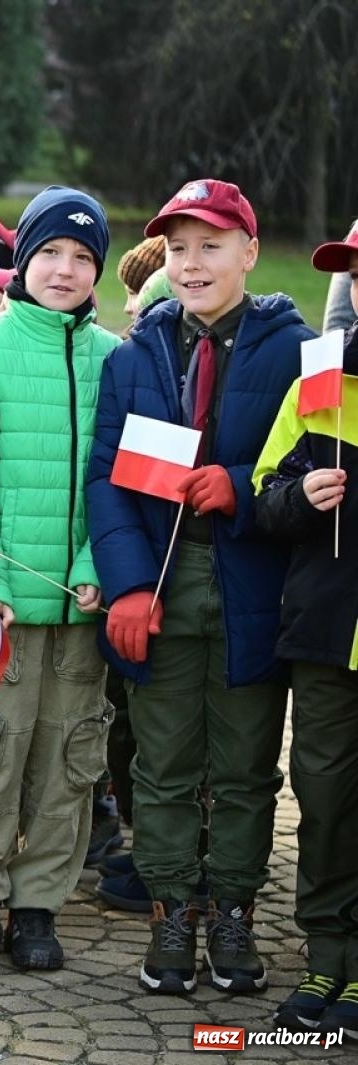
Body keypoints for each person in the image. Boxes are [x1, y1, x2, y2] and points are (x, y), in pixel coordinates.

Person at [86, 179, 311, 997]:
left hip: (255, 585)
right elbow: (106, 481)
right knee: (163, 764)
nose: (191, 264)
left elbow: (318, 467)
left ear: (249, 253)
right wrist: (128, 587)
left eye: (211, 246)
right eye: (178, 249)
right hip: (163, 585)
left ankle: (236, 913)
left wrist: (245, 488)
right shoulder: (134, 352)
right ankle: (173, 911)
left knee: (248, 767)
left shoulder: (296, 350)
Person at [0, 186, 118, 972]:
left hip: (81, 606)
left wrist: (93, 569)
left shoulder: (118, 358)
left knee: (67, 758)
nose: (65, 269)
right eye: (49, 253)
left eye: (82, 258)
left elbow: (116, 481)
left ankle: (38, 904)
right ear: (21, 260)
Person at [254, 223, 357, 1036]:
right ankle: (327, 953)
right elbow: (264, 493)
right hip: (325, 634)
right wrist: (300, 496)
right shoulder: (319, 381)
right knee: (322, 798)